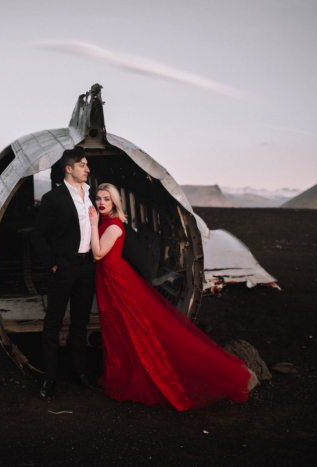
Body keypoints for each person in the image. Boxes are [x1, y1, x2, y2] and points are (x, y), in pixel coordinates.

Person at [88, 183, 257, 411]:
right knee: (117, 327)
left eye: (106, 199)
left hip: (116, 280)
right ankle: (123, 375)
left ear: (114, 202)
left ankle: (149, 377)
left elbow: (98, 253)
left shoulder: (114, 226)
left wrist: (91, 224)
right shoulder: (106, 222)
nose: (101, 203)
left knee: (132, 327)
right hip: (109, 278)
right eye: (98, 198)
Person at [31, 147, 103, 400]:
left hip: (86, 267)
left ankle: (79, 373)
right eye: (83, 165)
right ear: (69, 168)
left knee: (80, 323)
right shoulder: (54, 198)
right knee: (53, 323)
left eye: (87, 164)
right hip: (63, 267)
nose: (88, 169)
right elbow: (38, 235)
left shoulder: (91, 195)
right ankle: (50, 377)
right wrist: (53, 264)